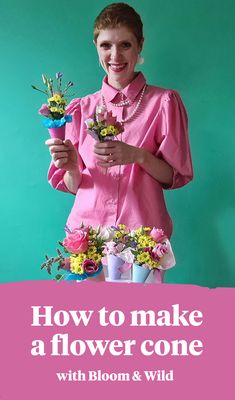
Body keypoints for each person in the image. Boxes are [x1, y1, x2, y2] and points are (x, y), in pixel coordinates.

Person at [45, 2, 193, 283]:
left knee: (140, 323)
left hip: (141, 243)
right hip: (88, 242)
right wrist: (72, 166)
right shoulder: (80, 108)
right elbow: (75, 185)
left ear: (139, 47)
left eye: (125, 44)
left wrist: (138, 156)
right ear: (96, 47)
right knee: (88, 324)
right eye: (106, 45)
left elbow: (175, 176)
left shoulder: (164, 103)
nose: (115, 55)